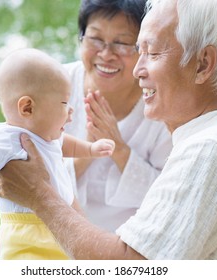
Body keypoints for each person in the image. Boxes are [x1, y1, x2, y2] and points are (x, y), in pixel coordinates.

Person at [0, 0, 217, 260]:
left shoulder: (211, 148)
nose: (137, 70)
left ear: (202, 64)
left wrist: (39, 194)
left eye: (151, 52)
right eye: (140, 51)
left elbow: (131, 264)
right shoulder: (206, 139)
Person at [0, 48, 115, 260]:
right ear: (27, 108)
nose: (70, 110)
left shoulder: (48, 136)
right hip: (27, 234)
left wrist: (90, 149)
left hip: (60, 225)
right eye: (64, 103)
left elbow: (66, 146)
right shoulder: (7, 137)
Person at [63, 0, 173, 232]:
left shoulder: (163, 107)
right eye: (95, 39)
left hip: (128, 248)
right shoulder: (55, 84)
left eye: (122, 43)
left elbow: (170, 199)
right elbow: (28, 177)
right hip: (52, 240)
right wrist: (86, 153)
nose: (106, 54)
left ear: (144, 48)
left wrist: (120, 151)